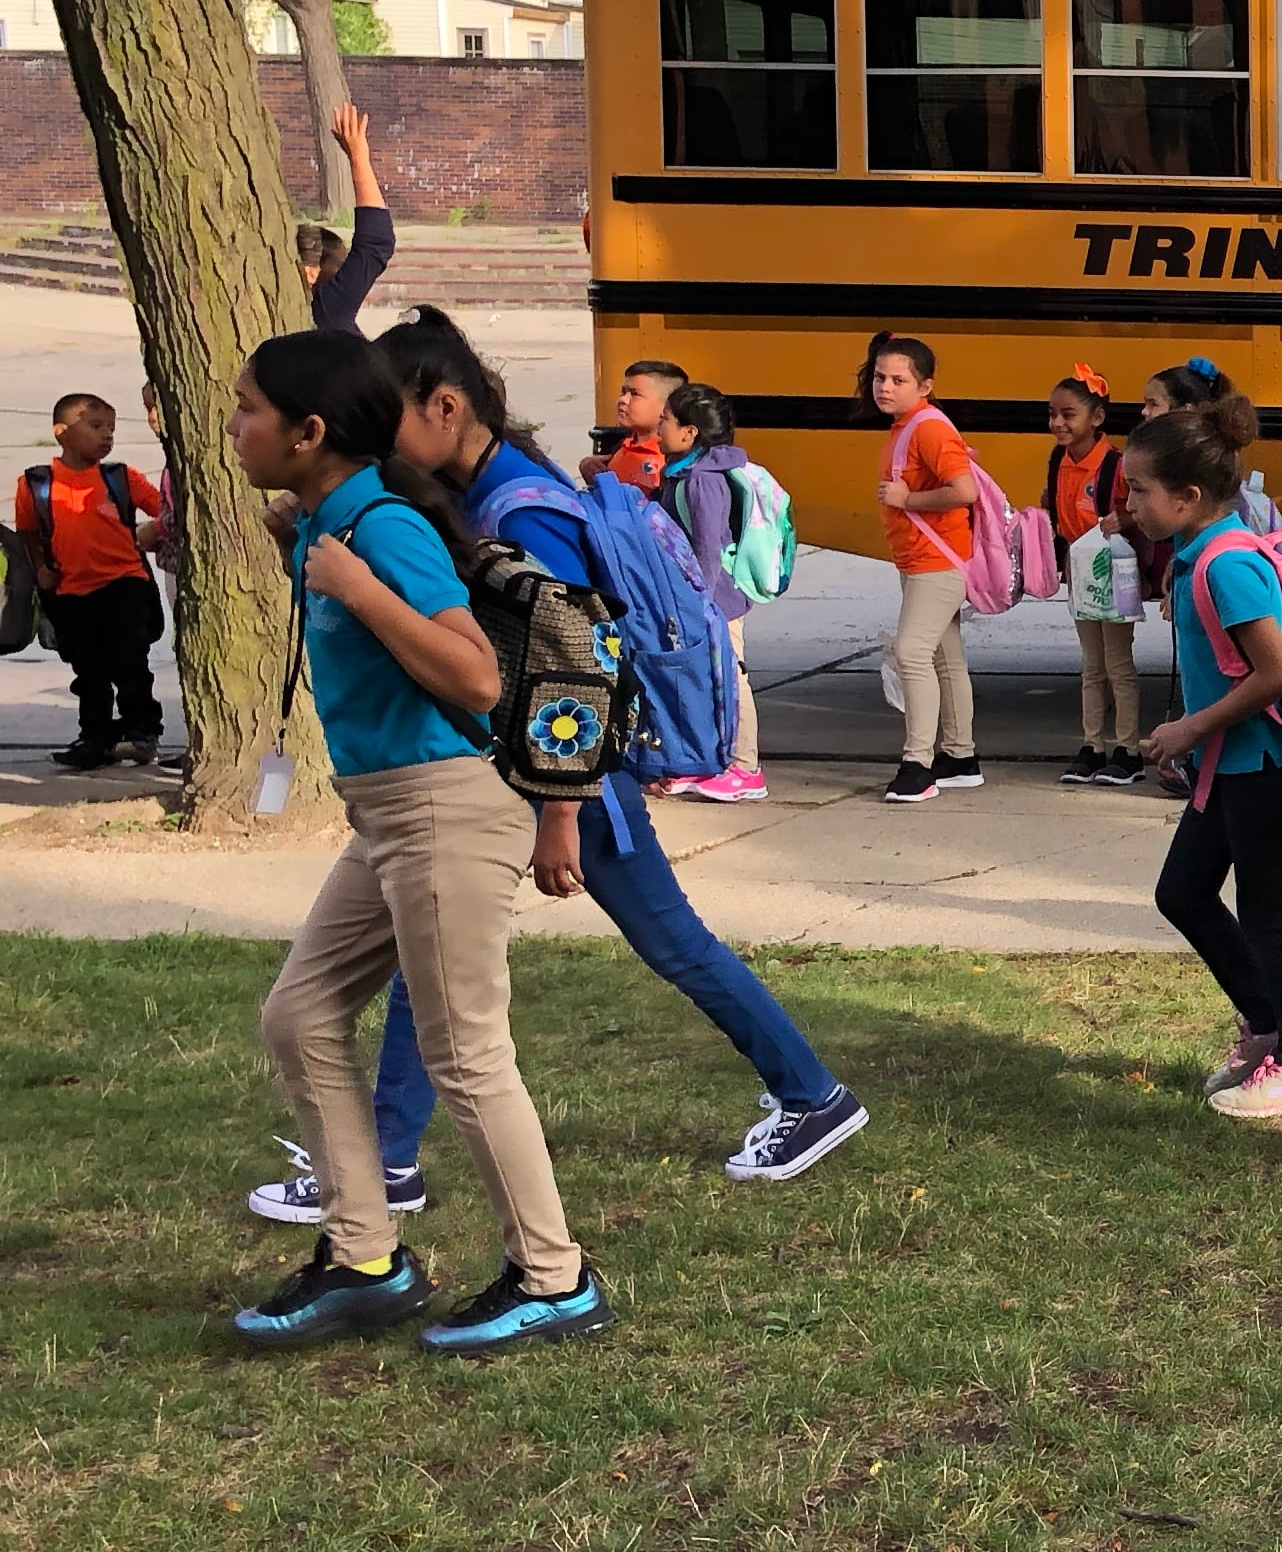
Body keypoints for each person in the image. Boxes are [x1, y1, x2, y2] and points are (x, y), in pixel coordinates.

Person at [248, 312, 867, 1236]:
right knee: (439, 965)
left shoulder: (520, 507)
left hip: (572, 779)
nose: (374, 429)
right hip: (520, 775)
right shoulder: (462, 491)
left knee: (670, 943)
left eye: (390, 410)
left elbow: (575, 664)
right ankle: (388, 1155)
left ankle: (811, 1093)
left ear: (446, 408)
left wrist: (561, 817)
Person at [226, 328, 603, 1356]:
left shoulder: (380, 531)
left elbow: (476, 678)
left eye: (251, 409)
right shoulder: (327, 519)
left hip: (445, 807)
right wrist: (301, 546)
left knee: (466, 1054)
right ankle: (365, 1260)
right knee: (300, 1016)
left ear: (309, 433)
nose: (235, 425)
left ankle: (555, 1277)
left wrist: (358, 587)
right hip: (388, 812)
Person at [1131, 379, 1282, 1121]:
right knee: (1182, 893)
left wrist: (1189, 727)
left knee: (1267, 913)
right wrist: (1190, 732)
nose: (1129, 505)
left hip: (1261, 769)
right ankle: (1266, 1027)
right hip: (1227, 767)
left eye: (1140, 491)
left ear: (1187, 496)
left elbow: (1276, 673)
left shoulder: (1227, 563)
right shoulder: (1198, 554)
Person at [20, 392, 166, 769]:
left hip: (124, 584)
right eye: (96, 426)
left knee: (131, 661)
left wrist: (156, 530)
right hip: (70, 592)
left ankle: (141, 732)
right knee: (88, 671)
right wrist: (41, 567)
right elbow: (29, 533)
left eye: (112, 429)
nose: (107, 436)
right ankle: (95, 737)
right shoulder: (36, 484)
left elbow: (165, 509)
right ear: (61, 432)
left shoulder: (121, 478)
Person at [870, 336, 983, 804]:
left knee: (912, 653)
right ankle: (959, 756)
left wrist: (908, 500)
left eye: (899, 380)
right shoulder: (907, 425)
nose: (885, 387)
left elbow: (965, 490)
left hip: (936, 563)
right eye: (880, 377)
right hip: (922, 560)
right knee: (943, 656)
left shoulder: (929, 428)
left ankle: (918, 765)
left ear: (925, 385)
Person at [650, 381, 771, 802]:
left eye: (666, 419)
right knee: (704, 679)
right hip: (698, 599)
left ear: (690, 433)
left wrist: (697, 601)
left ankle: (745, 768)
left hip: (715, 601)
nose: (659, 426)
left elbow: (707, 547)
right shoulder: (683, 474)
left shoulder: (703, 482)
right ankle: (707, 762)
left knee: (731, 677)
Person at [1042, 367, 1138, 784]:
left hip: (1112, 573)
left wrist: (1125, 519)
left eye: (1068, 414)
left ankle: (1129, 749)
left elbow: (1139, 508)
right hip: (1080, 573)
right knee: (1091, 665)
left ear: (1096, 418)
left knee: (1118, 663)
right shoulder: (1057, 462)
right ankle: (1092, 745)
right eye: (1052, 414)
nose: (1058, 423)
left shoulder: (1116, 464)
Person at [293, 98, 396, 332]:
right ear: (311, 273)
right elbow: (376, 243)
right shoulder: (327, 310)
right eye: (338, 267)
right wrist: (359, 158)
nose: (345, 275)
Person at [585, 358, 685, 495]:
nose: (622, 400)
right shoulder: (623, 446)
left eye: (635, 394)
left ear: (666, 407)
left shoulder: (668, 459)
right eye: (623, 392)